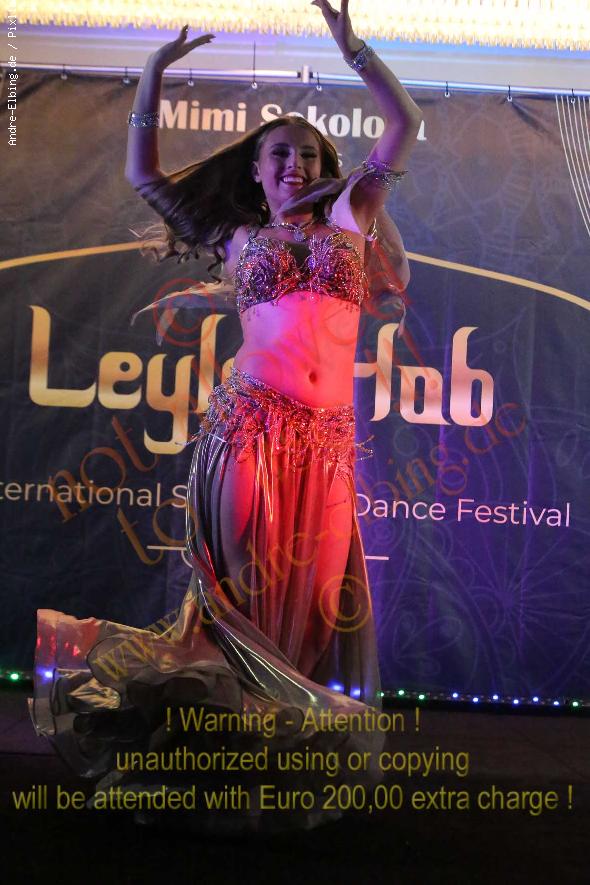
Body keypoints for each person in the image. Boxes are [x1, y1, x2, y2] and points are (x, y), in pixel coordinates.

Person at [30, 1, 422, 834]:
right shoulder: (238, 237)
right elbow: (145, 176)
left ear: (325, 166)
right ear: (256, 168)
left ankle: (269, 757)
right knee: (240, 588)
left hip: (326, 441)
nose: (295, 164)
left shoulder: (352, 217)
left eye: (309, 154)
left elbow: (406, 123)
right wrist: (152, 74)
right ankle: (223, 753)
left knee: (313, 603)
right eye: (280, 153)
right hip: (248, 423)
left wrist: (355, 50)